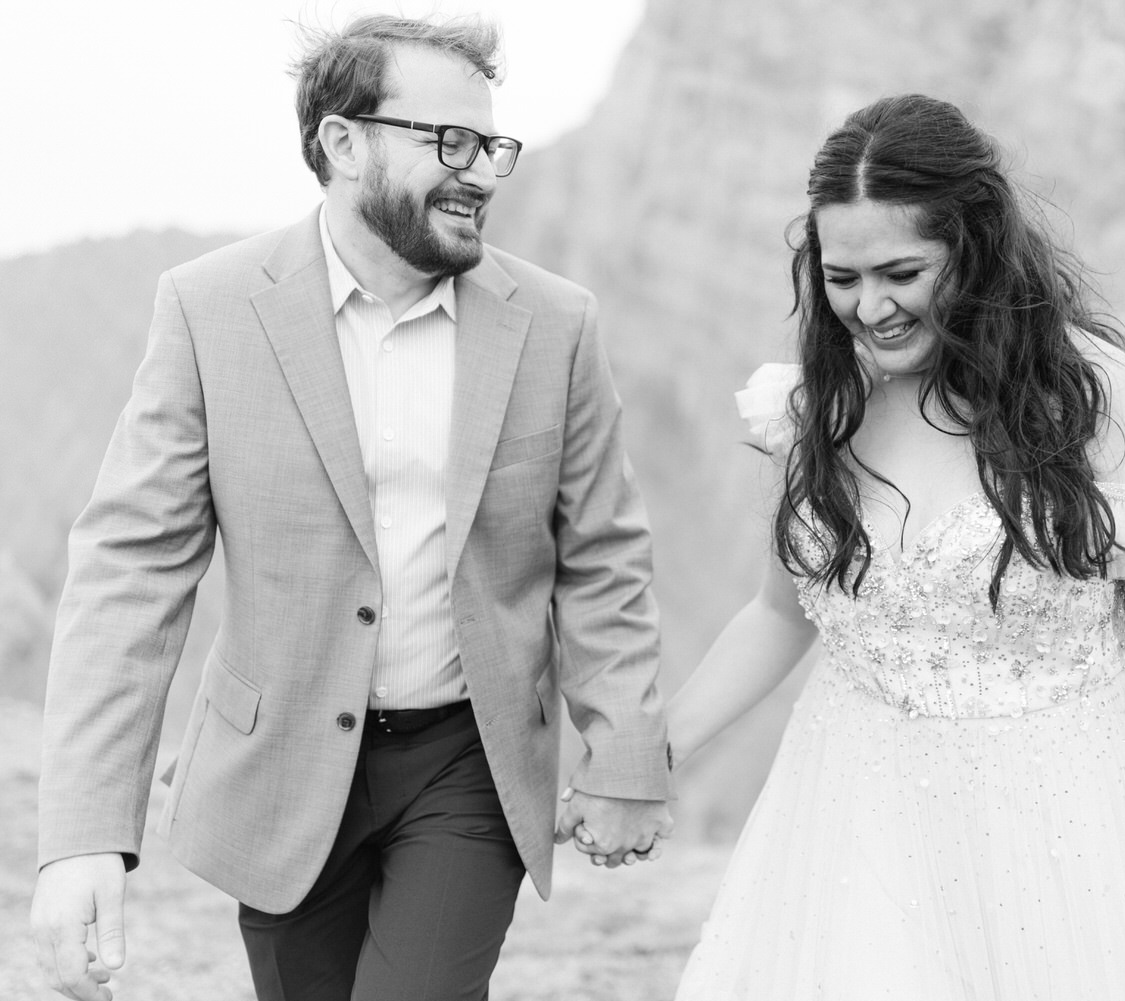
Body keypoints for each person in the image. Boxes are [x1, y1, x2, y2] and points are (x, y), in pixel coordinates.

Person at [30, 14, 672, 1001]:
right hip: (277, 764)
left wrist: (623, 750)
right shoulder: (209, 309)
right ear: (342, 142)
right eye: (446, 142)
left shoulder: (556, 323)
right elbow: (130, 573)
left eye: (489, 145)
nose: (479, 172)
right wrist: (81, 836)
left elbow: (602, 555)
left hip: (468, 760)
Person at [659, 95, 1125, 1000]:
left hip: (1077, 825)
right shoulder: (822, 404)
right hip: (860, 821)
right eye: (843, 277)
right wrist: (653, 753)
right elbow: (777, 615)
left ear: (973, 248)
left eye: (903, 272)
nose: (870, 308)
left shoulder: (1088, 396)